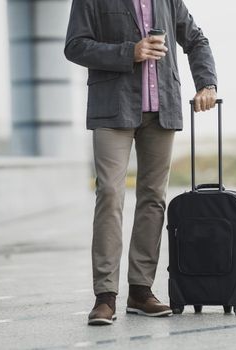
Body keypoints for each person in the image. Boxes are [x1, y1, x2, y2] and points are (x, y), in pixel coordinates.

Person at [64, 0, 218, 325]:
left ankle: (140, 290)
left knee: (153, 199)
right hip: (112, 107)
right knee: (109, 193)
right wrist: (128, 52)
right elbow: (75, 46)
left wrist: (207, 84)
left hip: (162, 107)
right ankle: (105, 295)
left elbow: (196, 40)